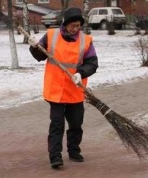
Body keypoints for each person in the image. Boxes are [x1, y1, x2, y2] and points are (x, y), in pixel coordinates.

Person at [28, 7, 98, 169]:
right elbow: (40, 55)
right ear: (65, 24)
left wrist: (81, 73)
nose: (76, 28)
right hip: (56, 90)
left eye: (78, 25)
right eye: (73, 25)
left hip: (75, 90)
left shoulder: (85, 40)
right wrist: (34, 46)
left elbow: (92, 63)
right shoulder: (52, 35)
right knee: (57, 124)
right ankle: (55, 156)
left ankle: (73, 151)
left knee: (76, 124)